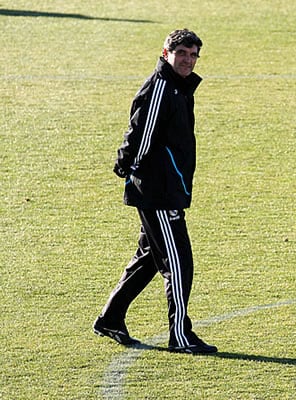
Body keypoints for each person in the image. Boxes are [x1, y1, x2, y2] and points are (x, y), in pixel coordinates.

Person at [93, 28, 217, 354]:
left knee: (149, 258)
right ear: (166, 54)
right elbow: (142, 133)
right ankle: (181, 336)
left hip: (167, 187)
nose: (188, 61)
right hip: (158, 192)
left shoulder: (179, 88)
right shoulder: (162, 88)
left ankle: (111, 318)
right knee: (178, 263)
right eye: (182, 54)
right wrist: (129, 167)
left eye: (193, 55)